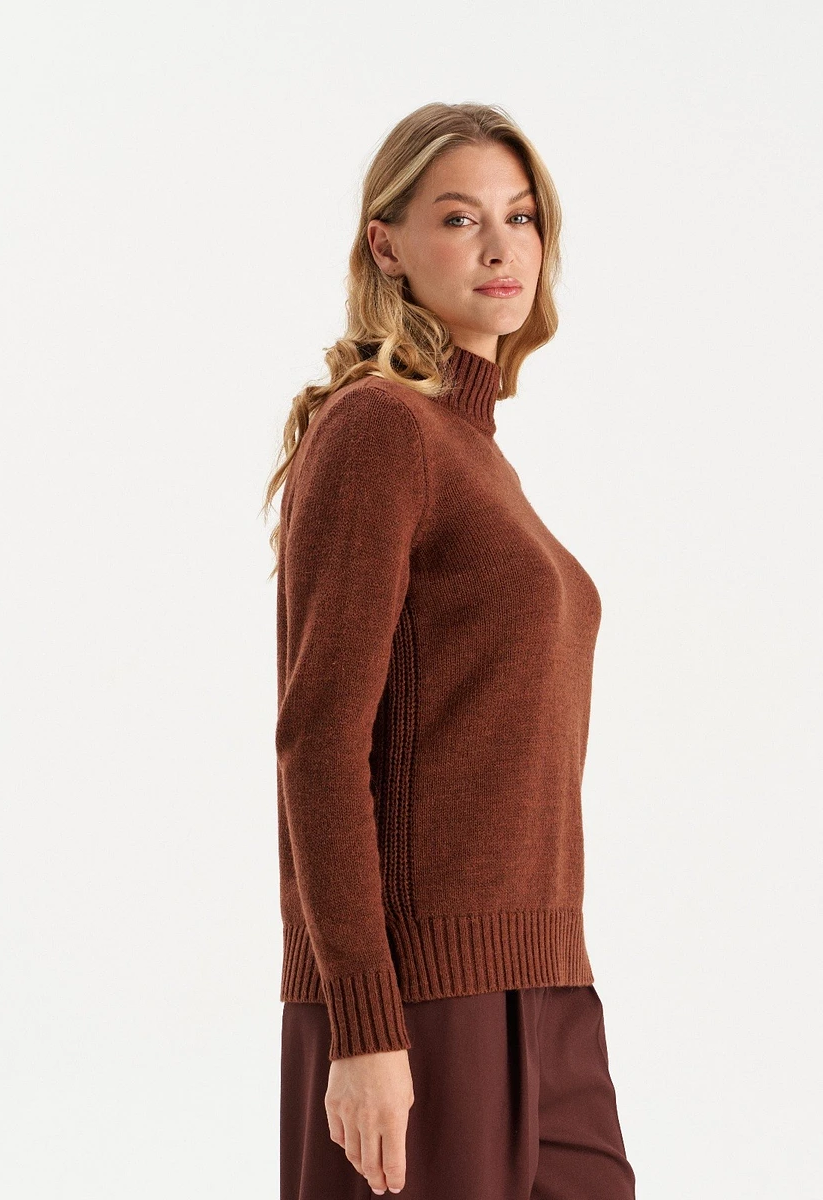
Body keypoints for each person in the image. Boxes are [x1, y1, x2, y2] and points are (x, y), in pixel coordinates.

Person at [262, 101, 638, 1200]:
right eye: (461, 217)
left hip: (544, 976)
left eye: (521, 217)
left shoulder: (474, 453)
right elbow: (319, 743)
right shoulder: (379, 428)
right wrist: (364, 1025)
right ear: (387, 246)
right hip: (419, 1001)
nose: (500, 246)